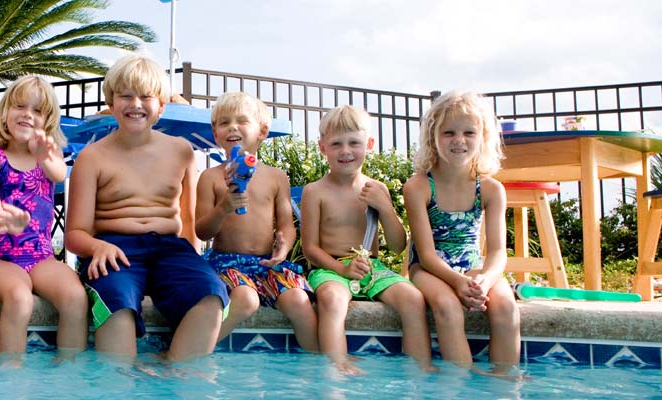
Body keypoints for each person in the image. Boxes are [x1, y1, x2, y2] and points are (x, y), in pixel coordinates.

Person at [65, 54, 228, 362]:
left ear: (161, 107)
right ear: (111, 103)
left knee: (210, 293)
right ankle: (123, 379)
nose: (135, 104)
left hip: (170, 248)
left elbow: (189, 222)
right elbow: (75, 234)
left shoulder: (181, 151)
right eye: (125, 96)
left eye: (145, 96)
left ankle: (172, 374)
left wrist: (193, 265)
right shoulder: (92, 157)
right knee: (117, 303)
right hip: (114, 248)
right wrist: (97, 247)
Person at [301, 104, 432, 374]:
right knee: (332, 300)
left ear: (369, 144)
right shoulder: (315, 192)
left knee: (413, 298)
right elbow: (310, 248)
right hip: (330, 268)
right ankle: (338, 365)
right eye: (336, 144)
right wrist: (343, 269)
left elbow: (397, 247)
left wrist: (385, 208)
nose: (345, 151)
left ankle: (420, 367)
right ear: (322, 148)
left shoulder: (377, 188)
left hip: (373, 269)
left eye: (354, 143)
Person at [0, 76, 87, 362]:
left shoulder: (48, 157)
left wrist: (43, 154)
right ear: (5, 112)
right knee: (20, 298)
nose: (27, 114)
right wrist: (4, 219)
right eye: (20, 106)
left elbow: (59, 173)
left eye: (37, 111)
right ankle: (9, 376)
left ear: (47, 122)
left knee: (76, 298)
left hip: (41, 258)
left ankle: (68, 374)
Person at [404, 90, 520, 373]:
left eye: (469, 132)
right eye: (449, 133)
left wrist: (485, 279)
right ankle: (462, 380)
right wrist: (456, 282)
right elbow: (426, 255)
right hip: (428, 269)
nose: (459, 140)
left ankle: (504, 381)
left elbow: (496, 252)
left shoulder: (491, 189)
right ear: (433, 136)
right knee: (447, 307)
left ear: (483, 138)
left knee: (506, 307)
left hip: (473, 266)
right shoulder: (418, 187)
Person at [194, 92, 318, 352]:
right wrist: (224, 207)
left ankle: (321, 371)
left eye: (242, 120)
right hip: (226, 262)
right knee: (246, 300)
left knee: (298, 300)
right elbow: (202, 231)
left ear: (262, 131)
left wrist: (283, 248)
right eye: (224, 122)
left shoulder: (276, 177)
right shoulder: (210, 177)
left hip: (267, 264)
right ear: (216, 134)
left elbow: (286, 225)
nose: (233, 127)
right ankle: (192, 351)